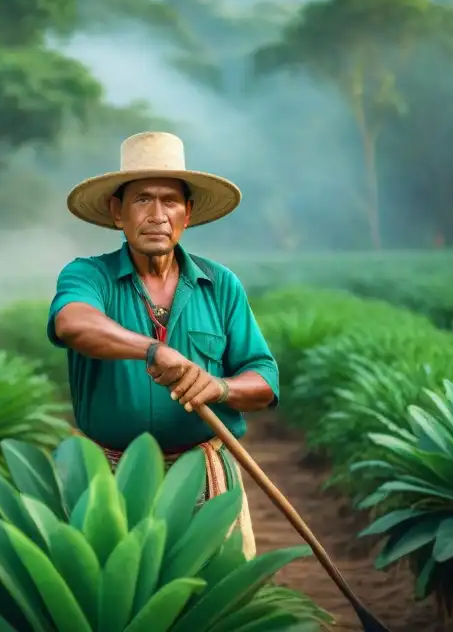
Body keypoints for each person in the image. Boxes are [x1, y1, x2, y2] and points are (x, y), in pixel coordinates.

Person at [47, 131, 279, 559]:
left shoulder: (220, 284)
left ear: (187, 213)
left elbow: (264, 379)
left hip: (203, 476)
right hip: (109, 476)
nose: (157, 214)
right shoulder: (88, 275)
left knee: (214, 608)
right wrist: (151, 350)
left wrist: (220, 388)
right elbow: (73, 322)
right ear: (118, 212)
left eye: (170, 201)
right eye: (142, 200)